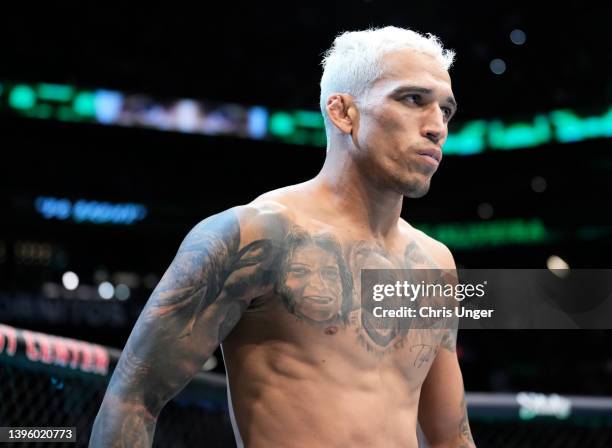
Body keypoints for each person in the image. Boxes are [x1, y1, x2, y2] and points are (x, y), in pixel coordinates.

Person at [90, 26, 475, 447]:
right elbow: (132, 402)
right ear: (344, 112)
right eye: (413, 100)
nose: (437, 127)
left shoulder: (435, 263)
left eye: (446, 110)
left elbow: (450, 436)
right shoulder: (254, 236)